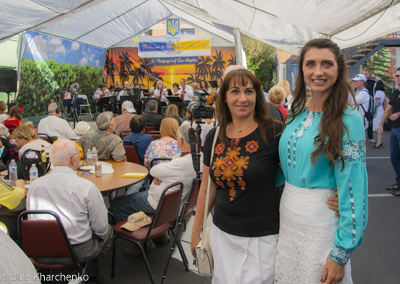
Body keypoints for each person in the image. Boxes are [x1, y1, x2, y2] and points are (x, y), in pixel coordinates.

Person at [275, 38, 368, 284]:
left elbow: (354, 190)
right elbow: (282, 166)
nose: (318, 71)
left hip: (322, 224)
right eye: (310, 64)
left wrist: (340, 254)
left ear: (338, 70)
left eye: (326, 64)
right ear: (302, 69)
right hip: (289, 220)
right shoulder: (295, 110)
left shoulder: (348, 119)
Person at [190, 67, 283, 283]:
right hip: (222, 237)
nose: (242, 98)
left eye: (249, 92)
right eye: (235, 91)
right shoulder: (214, 136)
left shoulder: (274, 132)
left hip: (263, 240)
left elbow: (297, 175)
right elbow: (206, 188)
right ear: (224, 97)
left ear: (257, 96)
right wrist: (196, 233)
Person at [27, 140, 112, 282]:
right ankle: (90, 275)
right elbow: (101, 228)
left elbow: (31, 219)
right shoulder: (86, 187)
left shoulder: (34, 185)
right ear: (74, 160)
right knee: (107, 231)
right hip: (75, 251)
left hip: (40, 250)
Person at [111, 124, 201, 256]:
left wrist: (158, 176)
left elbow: (153, 170)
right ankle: (160, 234)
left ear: (180, 141)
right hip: (177, 203)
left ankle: (141, 243)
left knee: (116, 204)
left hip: (160, 203)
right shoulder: (200, 158)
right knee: (143, 188)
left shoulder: (180, 163)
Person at [377, 67, 400, 195]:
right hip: (395, 129)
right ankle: (398, 182)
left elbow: (394, 112)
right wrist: (381, 124)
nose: (398, 78)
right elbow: (388, 110)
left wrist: (398, 114)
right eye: (397, 76)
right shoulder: (396, 92)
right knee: (394, 158)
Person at [363, 67, 377, 143]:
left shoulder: (372, 81)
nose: (364, 75)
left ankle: (370, 137)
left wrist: (374, 76)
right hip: (362, 103)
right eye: (363, 73)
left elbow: (381, 82)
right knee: (362, 120)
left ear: (369, 74)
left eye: (366, 74)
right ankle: (363, 137)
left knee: (370, 120)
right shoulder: (361, 81)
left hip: (369, 103)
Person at [372, 80, 385, 148]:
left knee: (378, 127)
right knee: (379, 126)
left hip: (378, 111)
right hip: (381, 110)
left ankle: (379, 141)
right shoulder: (382, 92)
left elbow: (377, 103)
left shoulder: (378, 93)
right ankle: (380, 140)